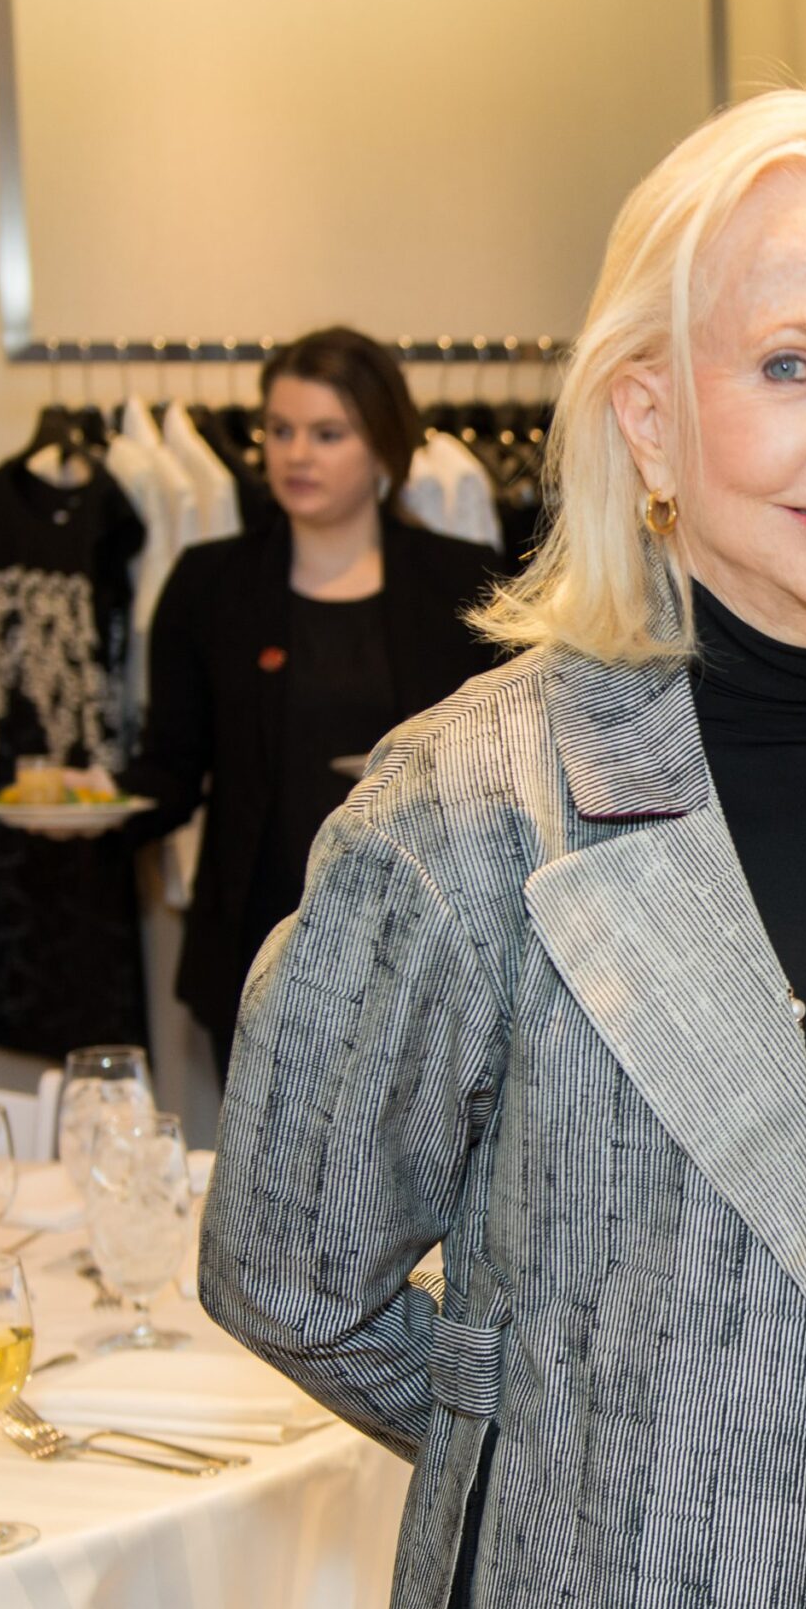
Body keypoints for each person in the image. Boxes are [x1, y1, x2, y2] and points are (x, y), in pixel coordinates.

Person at [198, 91, 806, 1609]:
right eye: (793, 364)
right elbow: (288, 1272)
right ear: (650, 415)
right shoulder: (469, 810)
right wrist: (587, 1459)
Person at [101, 327, 502, 1082]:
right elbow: (172, 768)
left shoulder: (464, 585)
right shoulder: (210, 584)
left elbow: (505, 764)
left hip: (426, 951)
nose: (296, 455)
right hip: (260, 943)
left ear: (382, 447)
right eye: (279, 431)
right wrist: (92, 806)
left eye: (326, 434)